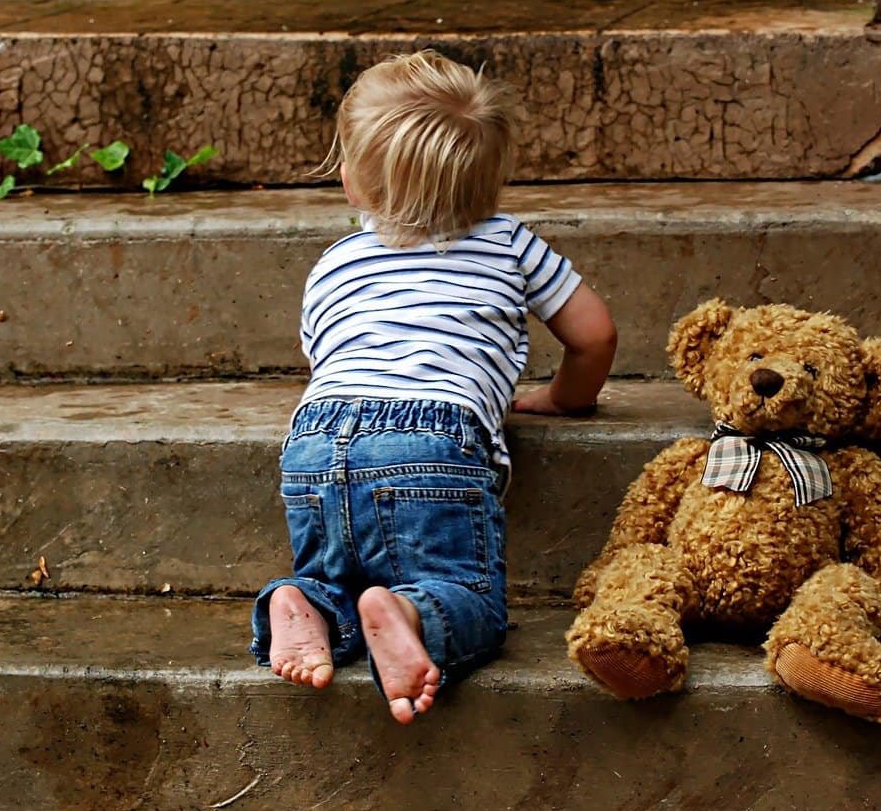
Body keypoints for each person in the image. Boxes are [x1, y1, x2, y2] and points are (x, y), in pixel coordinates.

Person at [248, 50, 617, 724]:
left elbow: (326, 357)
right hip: (433, 439)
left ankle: (301, 601)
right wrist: (565, 398)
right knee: (468, 592)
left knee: (336, 574)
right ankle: (414, 611)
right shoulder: (509, 242)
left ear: (352, 183)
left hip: (315, 437)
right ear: (491, 182)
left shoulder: (335, 262)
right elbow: (593, 334)